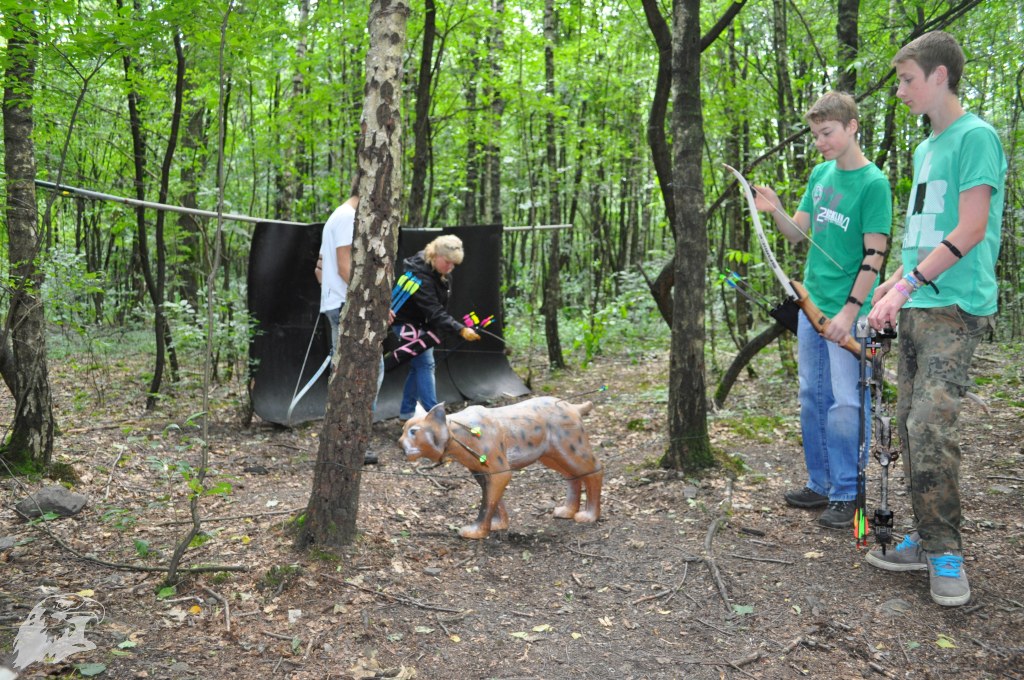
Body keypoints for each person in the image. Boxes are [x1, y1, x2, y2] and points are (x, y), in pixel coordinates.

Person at [866, 31, 1006, 607]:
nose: (901, 91)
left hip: (954, 306)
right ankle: (923, 542)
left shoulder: (976, 137)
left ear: (940, 76)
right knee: (907, 427)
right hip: (916, 303)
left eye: (908, 79)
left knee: (930, 427)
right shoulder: (926, 148)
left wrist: (911, 285)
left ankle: (947, 554)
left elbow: (971, 228)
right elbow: (919, 232)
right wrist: (891, 291)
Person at [753, 91, 892, 530]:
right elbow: (797, 234)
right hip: (810, 306)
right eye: (815, 135)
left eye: (827, 133)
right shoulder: (820, 174)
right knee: (813, 396)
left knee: (845, 403)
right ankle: (820, 483)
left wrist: (850, 314)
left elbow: (875, 255)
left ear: (852, 126)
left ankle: (848, 492)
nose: (821, 142)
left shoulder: (873, 184)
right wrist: (773, 209)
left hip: (848, 315)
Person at [392, 234, 480, 420]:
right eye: (447, 262)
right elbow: (434, 310)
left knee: (419, 367)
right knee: (425, 364)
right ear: (435, 255)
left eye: (454, 264)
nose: (450, 268)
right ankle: (436, 416)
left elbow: (437, 311)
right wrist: (459, 329)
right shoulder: (419, 274)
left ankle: (407, 413)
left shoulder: (438, 273)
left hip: (423, 325)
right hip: (406, 325)